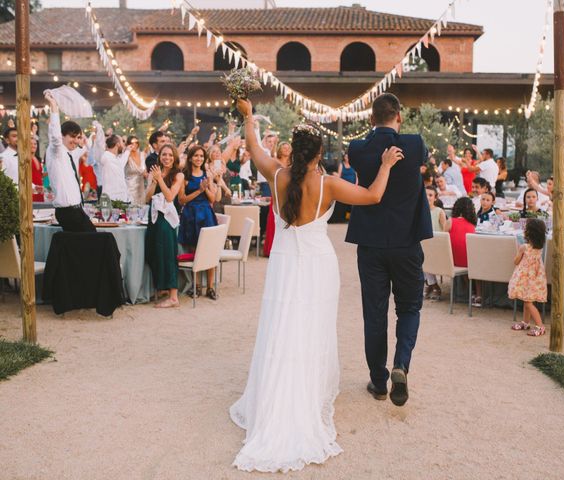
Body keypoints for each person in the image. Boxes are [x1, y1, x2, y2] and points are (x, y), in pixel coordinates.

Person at [230, 97, 405, 472]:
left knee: (281, 326)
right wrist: (387, 164)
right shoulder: (329, 184)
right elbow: (374, 195)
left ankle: (277, 397)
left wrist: (249, 117)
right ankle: (304, 396)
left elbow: (254, 148)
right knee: (310, 330)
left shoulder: (277, 176)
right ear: (319, 152)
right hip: (317, 267)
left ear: (295, 151)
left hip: (283, 265)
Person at [347, 93, 432, 409]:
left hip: (370, 244)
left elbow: (369, 149)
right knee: (409, 308)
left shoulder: (357, 149)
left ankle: (379, 381)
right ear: (400, 117)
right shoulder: (414, 144)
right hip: (407, 243)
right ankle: (401, 364)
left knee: (375, 312)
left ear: (370, 119)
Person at [44, 92, 96, 232]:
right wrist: (54, 107)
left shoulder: (70, 153)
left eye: (78, 137)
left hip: (77, 210)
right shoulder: (56, 150)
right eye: (72, 137)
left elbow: (83, 147)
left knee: (91, 244)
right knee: (92, 243)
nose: (76, 141)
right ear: (62, 136)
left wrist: (91, 138)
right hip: (67, 212)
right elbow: (54, 136)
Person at [178, 145, 220, 299]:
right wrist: (198, 191)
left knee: (209, 250)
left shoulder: (206, 175)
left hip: (206, 214)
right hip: (191, 214)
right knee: (194, 250)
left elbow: (212, 199)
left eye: (201, 156)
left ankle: (210, 287)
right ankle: (196, 286)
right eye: (196, 156)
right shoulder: (185, 176)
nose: (199, 159)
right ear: (190, 158)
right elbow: (182, 200)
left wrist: (207, 188)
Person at [145, 143, 184, 309]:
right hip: (153, 217)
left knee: (168, 254)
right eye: (163, 155)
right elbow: (146, 198)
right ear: (159, 157)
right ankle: (161, 288)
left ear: (174, 157)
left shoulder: (178, 175)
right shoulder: (154, 172)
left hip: (166, 219)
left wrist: (160, 178)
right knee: (153, 252)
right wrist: (153, 181)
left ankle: (173, 296)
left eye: (170, 155)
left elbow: (169, 197)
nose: (166, 158)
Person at [509, 218, 548, 336]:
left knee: (528, 303)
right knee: (527, 300)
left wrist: (517, 255)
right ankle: (525, 322)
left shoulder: (524, 247)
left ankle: (540, 326)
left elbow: (516, 261)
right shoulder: (539, 247)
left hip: (526, 277)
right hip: (535, 277)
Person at [424, 185, 445, 299]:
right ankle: (432, 284)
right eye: (426, 194)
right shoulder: (419, 210)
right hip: (424, 244)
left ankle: (431, 284)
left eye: (430, 195)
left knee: (425, 256)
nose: (427, 197)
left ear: (435, 198)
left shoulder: (439, 212)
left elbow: (446, 230)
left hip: (437, 245)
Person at [445, 197, 476, 268]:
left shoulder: (450, 221)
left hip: (451, 261)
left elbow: (443, 242)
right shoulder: (472, 225)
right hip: (469, 262)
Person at [100, 134, 131, 202]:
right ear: (117, 144)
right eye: (122, 142)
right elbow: (120, 164)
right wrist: (127, 151)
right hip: (111, 199)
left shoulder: (114, 157)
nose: (124, 145)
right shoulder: (107, 157)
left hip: (119, 198)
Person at [125, 135, 147, 205]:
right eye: (132, 143)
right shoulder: (126, 156)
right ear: (128, 144)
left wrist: (146, 174)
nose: (134, 145)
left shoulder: (142, 154)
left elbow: (144, 169)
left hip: (141, 186)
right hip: (130, 186)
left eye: (136, 143)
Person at [30, 137, 44, 202]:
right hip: (31, 190)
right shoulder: (25, 159)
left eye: (35, 144)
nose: (33, 146)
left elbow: (39, 175)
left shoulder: (36, 158)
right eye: (30, 144)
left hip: (39, 189)